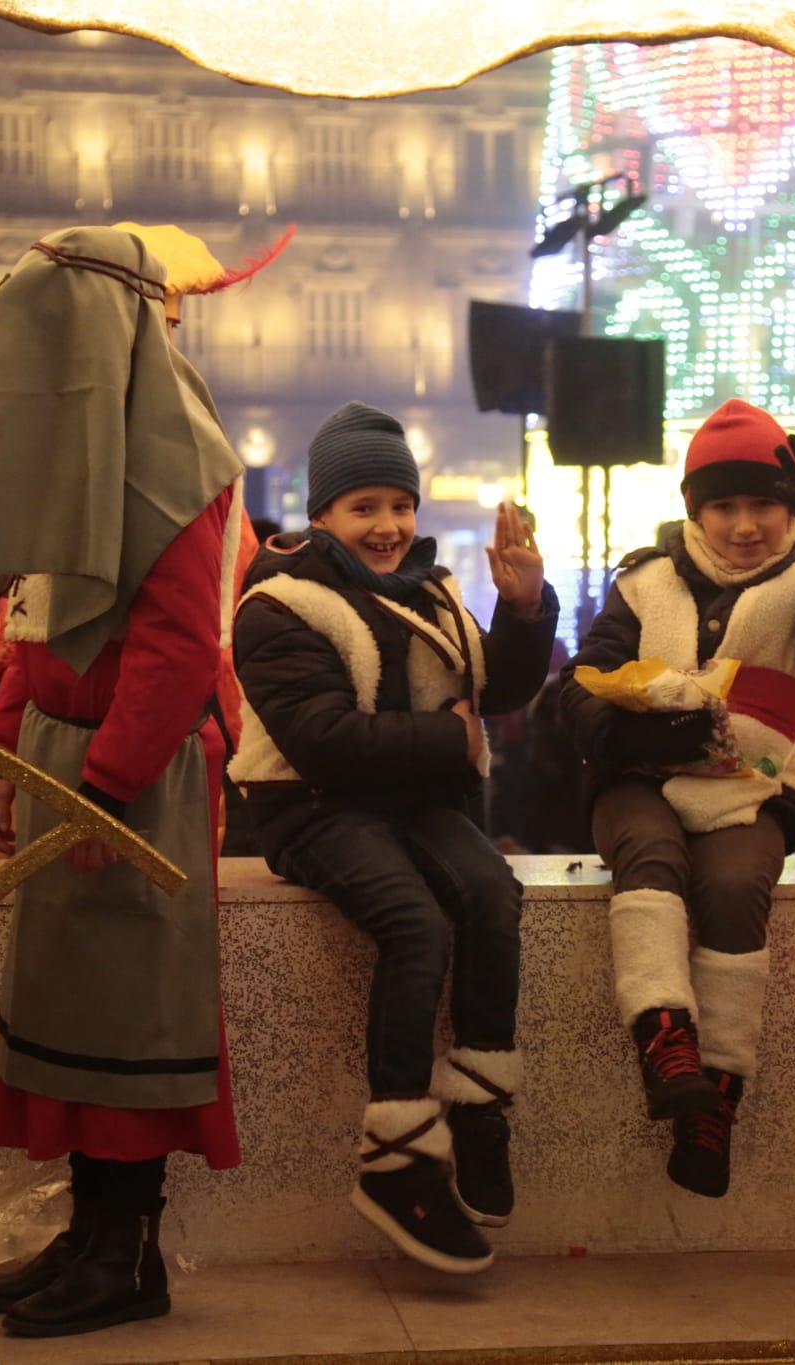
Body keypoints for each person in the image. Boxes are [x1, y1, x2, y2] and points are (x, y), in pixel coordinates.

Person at [0, 226, 250, 1338]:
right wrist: (2, 741)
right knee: (68, 993)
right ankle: (88, 1234)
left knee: (129, 1008)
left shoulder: (177, 458)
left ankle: (129, 1251)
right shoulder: (66, 454)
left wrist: (109, 785)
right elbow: (29, 610)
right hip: (56, 749)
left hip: (132, 772)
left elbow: (176, 650)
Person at [228, 403, 558, 1274]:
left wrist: (524, 609)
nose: (387, 525)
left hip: (410, 799)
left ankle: (481, 1109)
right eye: (363, 507)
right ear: (324, 514)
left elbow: (495, 690)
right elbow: (324, 741)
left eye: (398, 505)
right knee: (417, 925)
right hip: (313, 807)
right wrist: (453, 741)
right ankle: (398, 1154)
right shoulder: (277, 607)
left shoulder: (428, 588)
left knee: (494, 892)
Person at [559, 401, 795, 1198]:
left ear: (791, 509)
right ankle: (664, 1041)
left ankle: (716, 1103)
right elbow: (579, 690)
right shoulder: (642, 581)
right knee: (651, 856)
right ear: (692, 508)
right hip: (637, 784)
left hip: (755, 792)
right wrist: (632, 742)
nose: (746, 525)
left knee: (738, 887)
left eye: (765, 504)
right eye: (725, 506)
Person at [0, 223, 288, 847]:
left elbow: (220, 595)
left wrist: (254, 727)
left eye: (170, 325)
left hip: (143, 719)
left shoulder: (180, 436)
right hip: (26, 692)